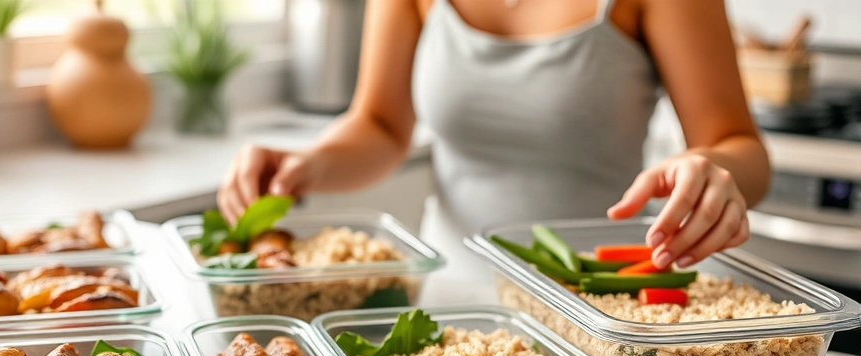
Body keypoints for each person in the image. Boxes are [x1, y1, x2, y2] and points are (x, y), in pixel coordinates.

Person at [216, 0, 768, 272]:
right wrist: (306, 164)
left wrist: (715, 173)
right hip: (455, 304)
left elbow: (741, 148)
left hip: (604, 302)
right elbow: (381, 127)